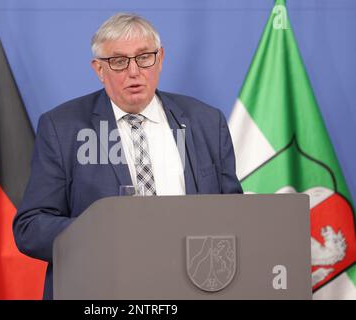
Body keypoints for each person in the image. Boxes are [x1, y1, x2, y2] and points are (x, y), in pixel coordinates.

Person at [13, 13, 243, 300]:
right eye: (119, 61)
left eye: (144, 57)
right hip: (101, 292)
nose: (134, 71)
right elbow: (31, 228)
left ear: (160, 59)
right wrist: (103, 232)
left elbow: (235, 217)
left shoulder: (206, 121)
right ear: (99, 69)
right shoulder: (63, 128)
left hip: (193, 287)